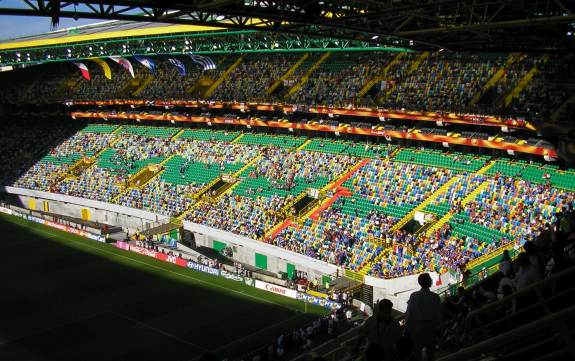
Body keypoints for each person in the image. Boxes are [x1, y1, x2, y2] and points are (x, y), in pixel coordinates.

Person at [405, 273, 444, 361]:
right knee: (431, 353)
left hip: (417, 328)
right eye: (430, 279)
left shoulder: (414, 296)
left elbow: (409, 314)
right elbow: (439, 315)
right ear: (429, 281)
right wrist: (440, 328)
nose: (431, 280)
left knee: (417, 352)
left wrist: (407, 328)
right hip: (431, 327)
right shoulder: (435, 297)